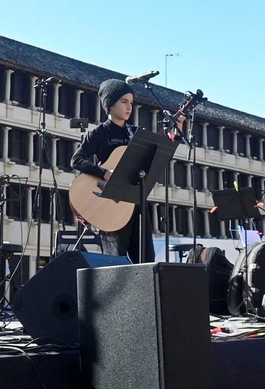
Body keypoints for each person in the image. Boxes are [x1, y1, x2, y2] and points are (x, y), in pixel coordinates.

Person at [71, 78, 182, 262]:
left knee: (146, 260)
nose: (129, 107)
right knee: (115, 262)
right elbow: (77, 160)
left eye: (131, 102)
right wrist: (105, 173)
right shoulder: (99, 133)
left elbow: (158, 158)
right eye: (124, 102)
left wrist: (175, 135)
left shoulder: (136, 133)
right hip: (111, 206)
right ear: (110, 105)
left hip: (136, 202)